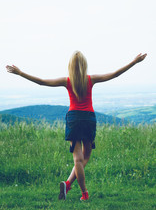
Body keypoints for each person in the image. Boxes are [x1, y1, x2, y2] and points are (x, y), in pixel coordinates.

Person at [6, 51, 147, 201]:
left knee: (77, 159)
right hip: (88, 119)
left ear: (70, 67)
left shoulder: (67, 81)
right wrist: (134, 62)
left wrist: (20, 73)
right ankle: (74, 188)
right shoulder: (90, 79)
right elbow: (115, 74)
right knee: (85, 158)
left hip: (73, 119)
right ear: (84, 65)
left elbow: (42, 82)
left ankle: (74, 188)